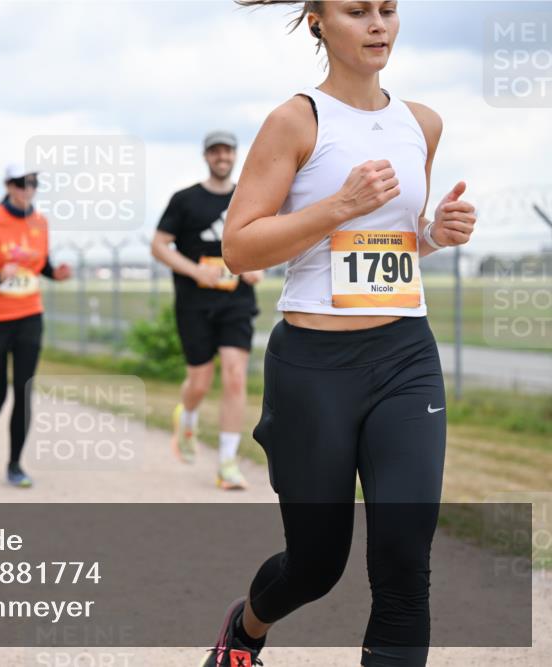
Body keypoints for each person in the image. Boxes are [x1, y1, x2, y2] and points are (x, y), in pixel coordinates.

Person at [200, 2, 479, 667]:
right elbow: (239, 248)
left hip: (405, 357)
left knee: (405, 562)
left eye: (388, 9)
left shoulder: (422, 123)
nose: (378, 23)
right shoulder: (296, 121)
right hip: (314, 367)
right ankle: (246, 631)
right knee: (316, 563)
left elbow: (396, 243)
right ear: (319, 23)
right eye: (358, 11)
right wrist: (337, 207)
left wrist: (436, 234)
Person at [151, 130, 264, 490]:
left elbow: (264, 241)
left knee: (234, 375)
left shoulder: (248, 199)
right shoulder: (185, 200)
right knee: (199, 381)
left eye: (227, 151)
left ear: (234, 155)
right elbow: (159, 245)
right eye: (215, 151)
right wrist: (195, 270)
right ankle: (187, 415)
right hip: (194, 304)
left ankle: (227, 463)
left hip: (236, 303)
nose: (222, 157)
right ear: (206, 156)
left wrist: (255, 265)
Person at [0, 164, 72, 488]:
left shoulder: (40, 222)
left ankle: (15, 464)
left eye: (34, 183)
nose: (29, 190)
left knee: (23, 390)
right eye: (22, 183)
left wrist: (56, 273)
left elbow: (40, 265)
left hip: (28, 315)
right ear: (8, 186)